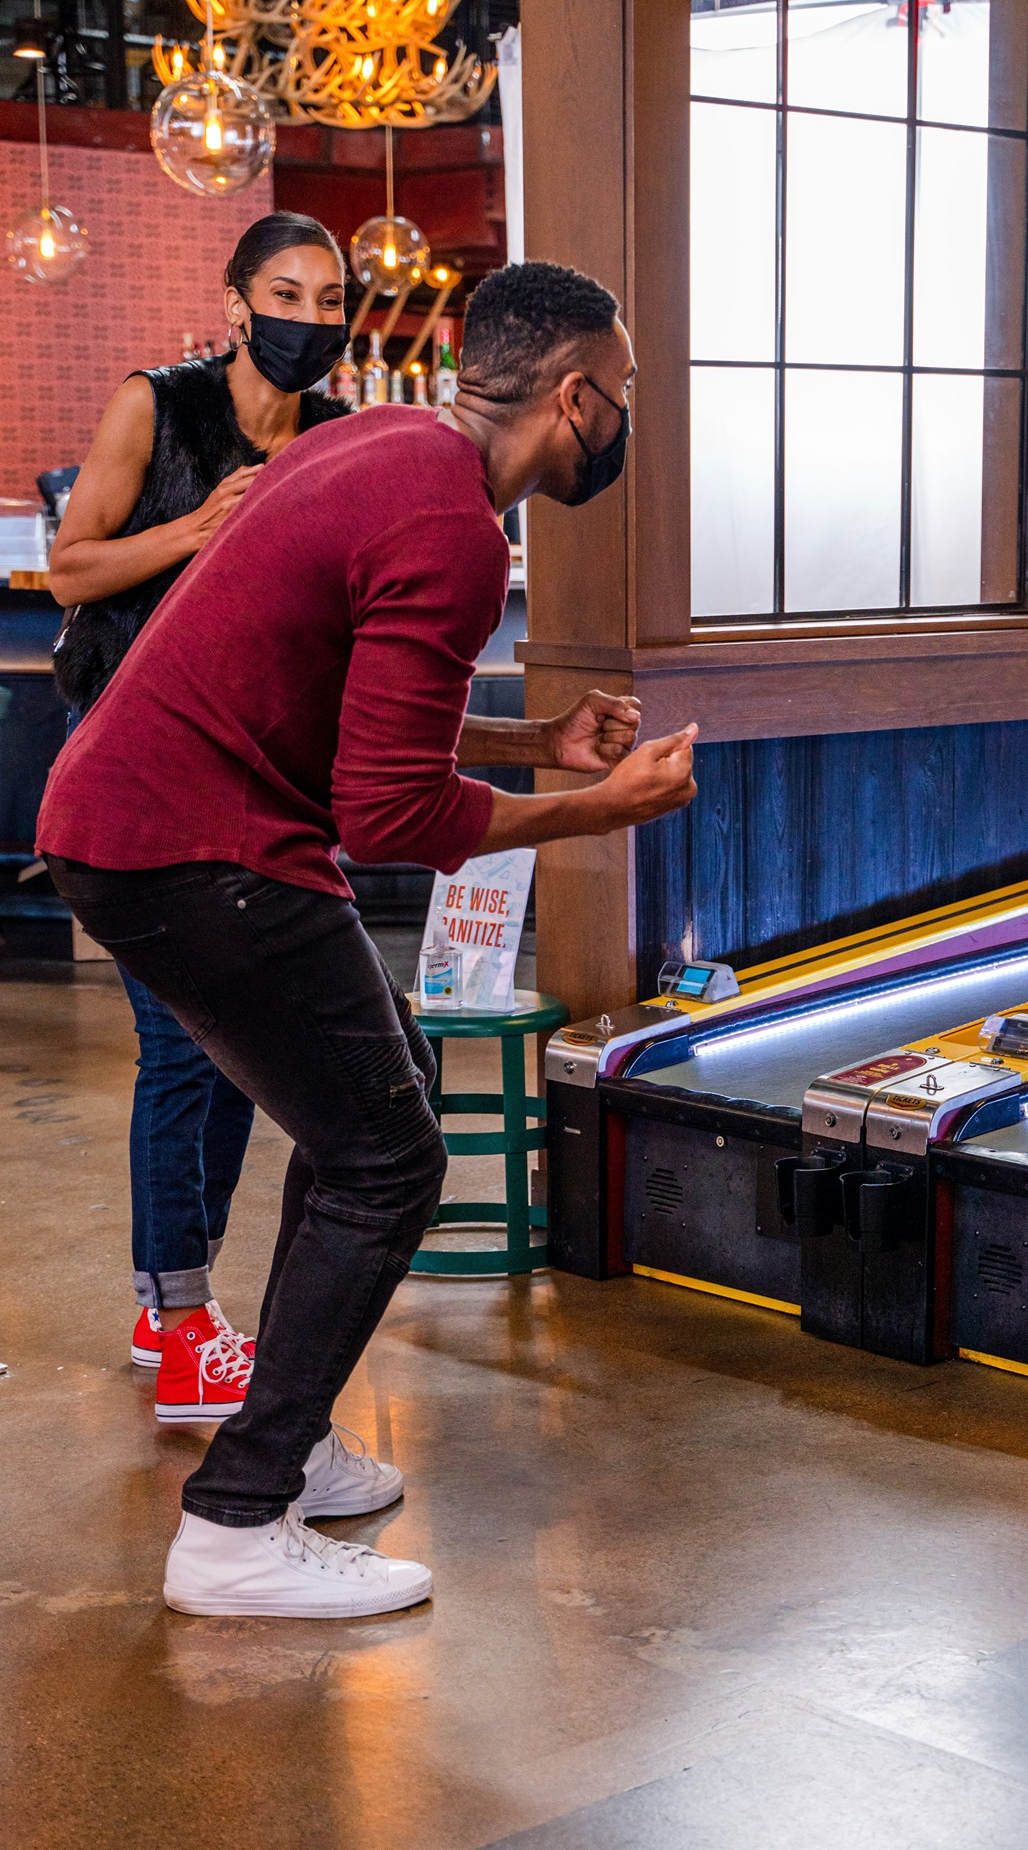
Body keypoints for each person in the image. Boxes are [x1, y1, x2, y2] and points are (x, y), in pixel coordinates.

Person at [38, 261, 697, 1620]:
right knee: (391, 1158)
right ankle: (233, 1523)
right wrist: (598, 807)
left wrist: (534, 745)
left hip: (138, 822)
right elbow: (388, 809)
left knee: (369, 1110)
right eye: (621, 397)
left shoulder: (381, 446)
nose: (622, 423)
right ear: (574, 397)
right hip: (194, 848)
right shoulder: (455, 531)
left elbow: (351, 709)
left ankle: (284, 1438)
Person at [48, 212, 353, 1427]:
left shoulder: (334, 436)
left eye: (331, 301)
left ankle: (174, 1299)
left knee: (235, 1047)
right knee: (183, 1039)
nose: (309, 321)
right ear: (237, 302)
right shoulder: (156, 406)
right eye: (287, 294)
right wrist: (197, 526)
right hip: (127, 767)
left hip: (250, 774)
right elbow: (70, 568)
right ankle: (178, 1320)